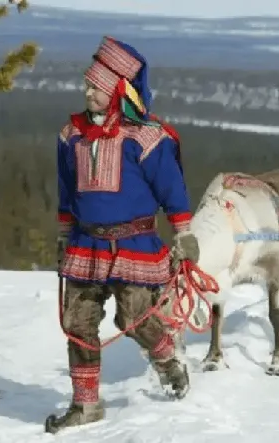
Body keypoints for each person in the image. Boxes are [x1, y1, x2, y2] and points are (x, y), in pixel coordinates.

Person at [45, 36, 201, 434]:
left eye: (95, 87)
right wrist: (64, 235)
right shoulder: (71, 136)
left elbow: (172, 191)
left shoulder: (148, 139)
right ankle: (86, 405)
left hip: (136, 244)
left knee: (133, 318)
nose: (87, 93)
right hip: (86, 243)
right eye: (87, 85)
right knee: (76, 322)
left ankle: (166, 358)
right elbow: (66, 189)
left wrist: (183, 235)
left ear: (118, 91)